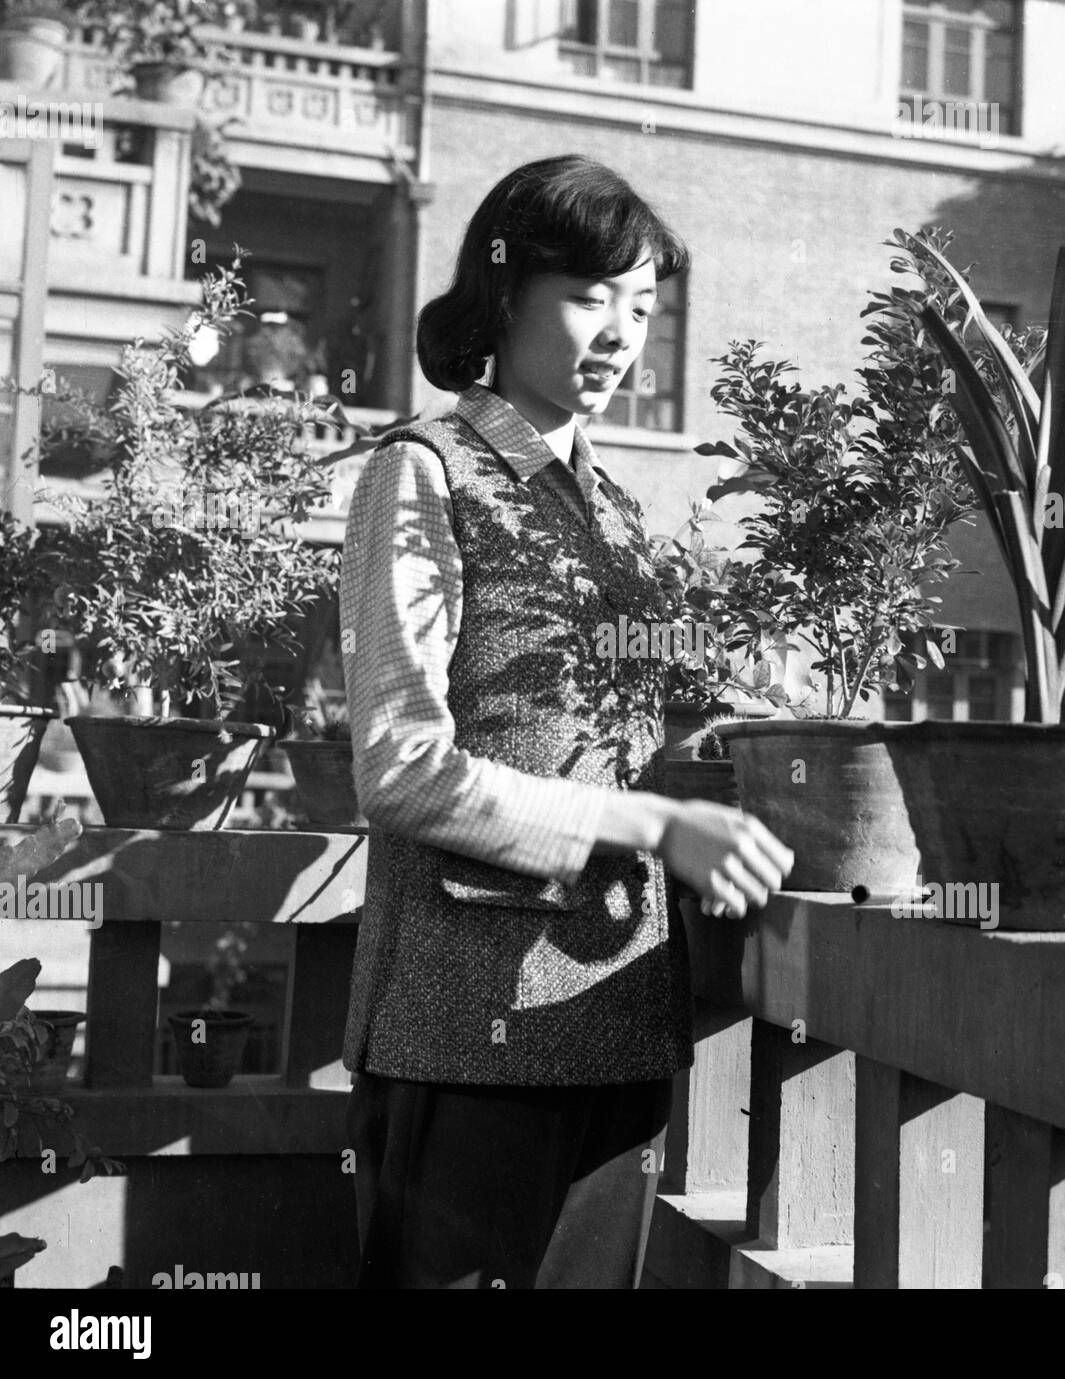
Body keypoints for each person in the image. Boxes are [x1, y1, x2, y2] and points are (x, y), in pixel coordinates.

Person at [339, 154, 793, 1289]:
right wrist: (650, 822)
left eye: (644, 306)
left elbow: (620, 740)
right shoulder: (422, 472)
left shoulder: (622, 514)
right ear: (505, 294)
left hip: (619, 1023)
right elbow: (400, 769)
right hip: (467, 1036)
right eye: (592, 295)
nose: (622, 333)